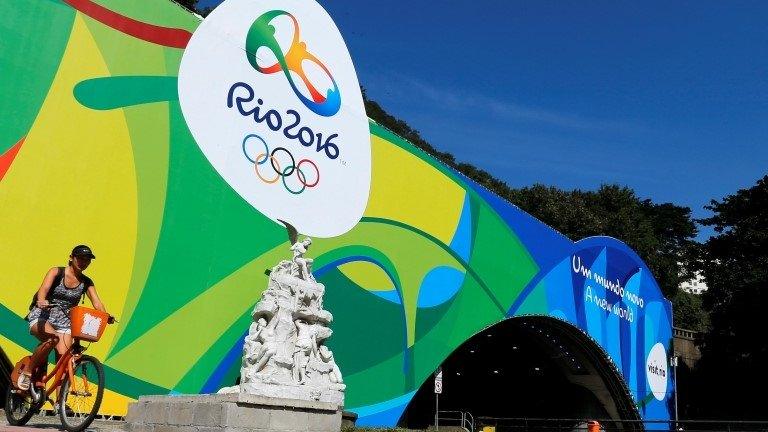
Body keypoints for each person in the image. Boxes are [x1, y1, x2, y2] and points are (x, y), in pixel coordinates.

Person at [20, 245, 108, 389]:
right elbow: (43, 289)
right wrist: (42, 301)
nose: (83, 262)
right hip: (43, 315)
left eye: (87, 260)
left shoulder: (86, 282)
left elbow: (97, 302)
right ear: (71, 258)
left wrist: (106, 316)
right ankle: (28, 371)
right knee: (52, 338)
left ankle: (59, 404)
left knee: (64, 359)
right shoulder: (57, 272)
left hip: (65, 322)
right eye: (80, 258)